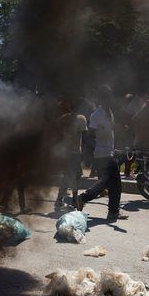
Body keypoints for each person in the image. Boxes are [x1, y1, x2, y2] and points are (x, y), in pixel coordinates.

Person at [75, 85, 126, 221]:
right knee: (113, 184)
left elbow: (110, 134)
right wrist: (90, 153)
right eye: (106, 96)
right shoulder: (96, 115)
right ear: (102, 98)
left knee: (108, 183)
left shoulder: (110, 113)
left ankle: (87, 200)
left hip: (109, 153)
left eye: (110, 96)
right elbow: (90, 136)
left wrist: (114, 149)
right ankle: (109, 210)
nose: (110, 99)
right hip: (101, 155)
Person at [55, 100, 87, 208]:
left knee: (69, 176)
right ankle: (73, 200)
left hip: (66, 151)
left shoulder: (64, 118)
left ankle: (62, 200)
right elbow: (85, 137)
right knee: (75, 176)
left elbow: (56, 130)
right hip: (75, 152)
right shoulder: (81, 118)